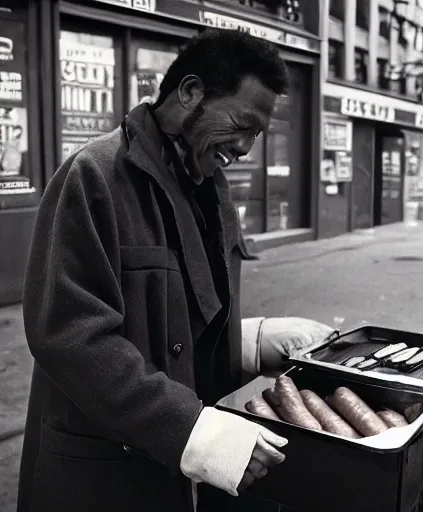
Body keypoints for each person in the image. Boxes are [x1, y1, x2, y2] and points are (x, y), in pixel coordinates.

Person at [17, 29, 334, 512]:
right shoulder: (93, 175)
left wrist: (247, 343)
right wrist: (192, 430)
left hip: (177, 480)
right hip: (103, 476)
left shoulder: (211, 186)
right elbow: (69, 335)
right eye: (243, 124)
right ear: (190, 93)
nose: (247, 147)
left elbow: (183, 316)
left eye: (258, 134)